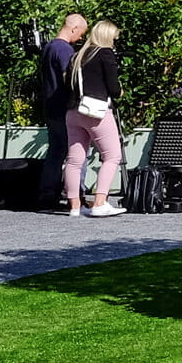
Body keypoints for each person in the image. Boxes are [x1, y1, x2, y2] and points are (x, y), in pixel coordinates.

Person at [64, 18, 127, 217]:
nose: (114, 43)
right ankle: (100, 202)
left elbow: (68, 86)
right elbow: (113, 87)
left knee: (74, 160)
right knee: (112, 156)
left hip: (73, 111)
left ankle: (75, 206)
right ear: (107, 37)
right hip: (96, 111)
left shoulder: (77, 56)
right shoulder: (105, 53)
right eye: (114, 38)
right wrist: (120, 92)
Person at [33, 13, 86, 210]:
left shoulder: (49, 47)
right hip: (64, 108)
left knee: (56, 151)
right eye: (81, 33)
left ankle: (47, 194)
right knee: (77, 151)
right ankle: (76, 194)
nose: (81, 37)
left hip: (51, 107)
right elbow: (69, 79)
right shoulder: (64, 49)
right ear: (73, 28)